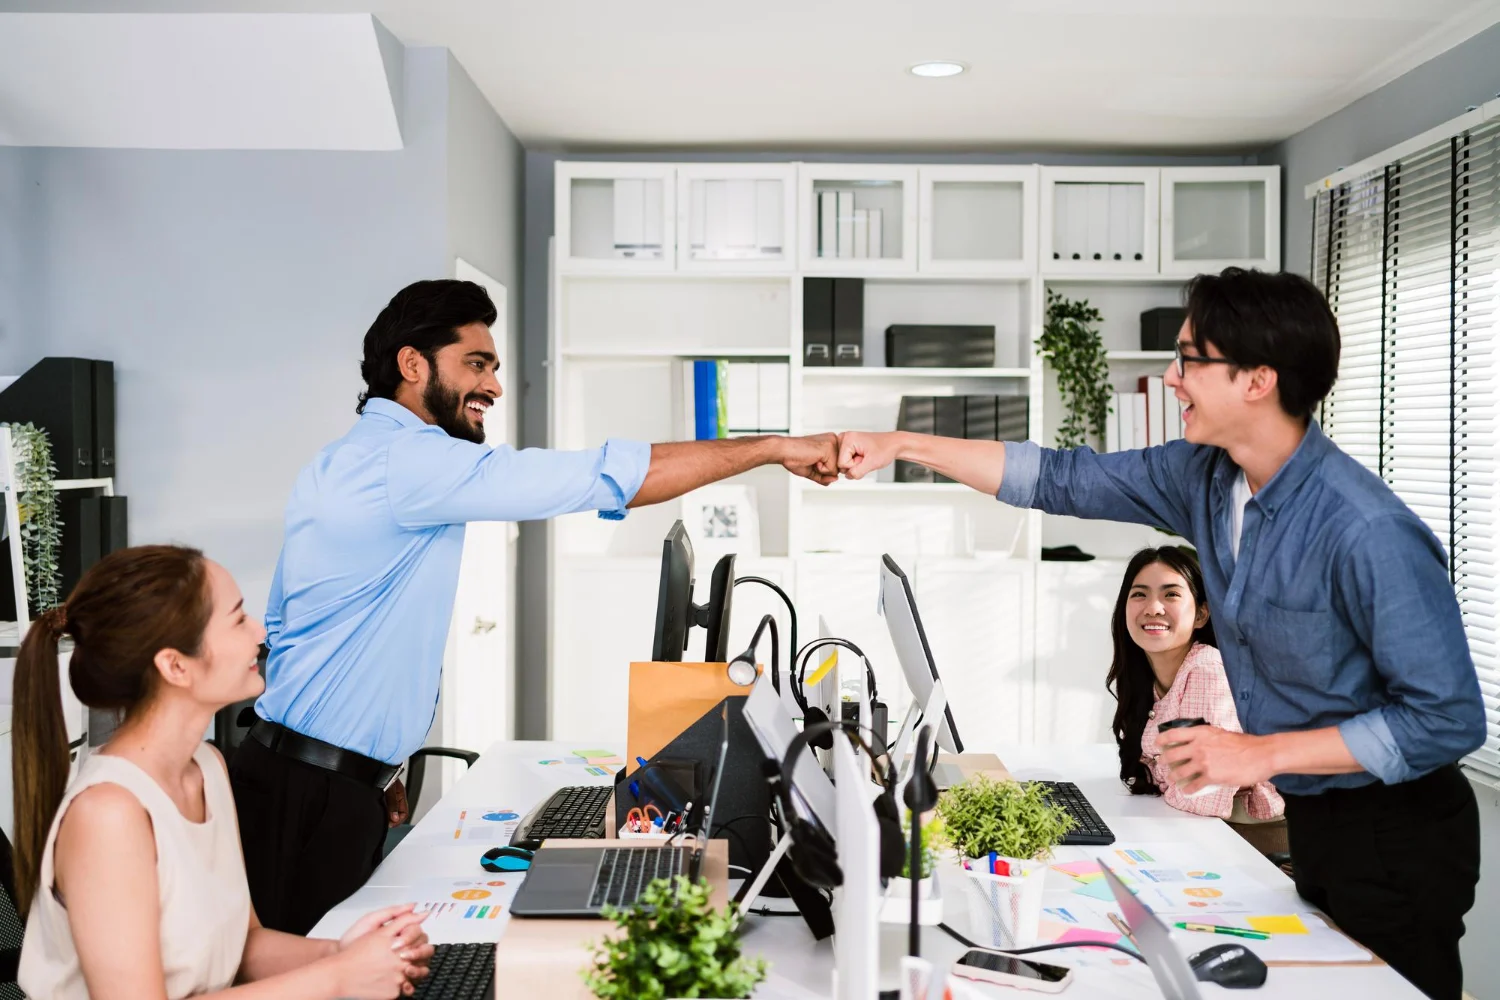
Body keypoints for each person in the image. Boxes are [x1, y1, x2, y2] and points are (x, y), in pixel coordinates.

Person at [837, 267, 1486, 1000]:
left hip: (1399, 832)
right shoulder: (1207, 478)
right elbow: (1059, 478)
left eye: (1190, 359)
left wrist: (1257, 752)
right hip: (1316, 820)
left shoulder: (1366, 530)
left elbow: (1448, 718)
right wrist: (901, 444)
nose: (1172, 379)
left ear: (1258, 380)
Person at [232, 278, 841, 934]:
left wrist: (376, 765)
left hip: (313, 777)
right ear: (412, 365)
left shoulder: (351, 457)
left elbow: (289, 624)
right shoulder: (410, 462)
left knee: (328, 958)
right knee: (309, 966)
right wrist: (773, 448)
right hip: (311, 794)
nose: (493, 385)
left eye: (493, 366)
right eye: (476, 363)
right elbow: (606, 475)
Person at [13, 545, 434, 1000]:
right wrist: (338, 977)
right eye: (237, 620)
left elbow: (244, 945)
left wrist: (341, 953)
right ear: (175, 665)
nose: (259, 632)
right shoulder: (108, 814)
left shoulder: (207, 767)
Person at [1107, 545, 1282, 824]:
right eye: (1139, 594)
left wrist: (1165, 780)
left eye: (1171, 595)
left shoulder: (1206, 670)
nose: (1153, 608)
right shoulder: (1146, 677)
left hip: (1243, 834)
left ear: (1201, 614)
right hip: (1191, 825)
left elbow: (1201, 796)